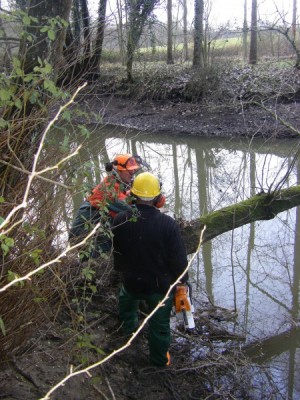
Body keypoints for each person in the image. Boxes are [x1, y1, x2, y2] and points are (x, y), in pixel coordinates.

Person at [112, 172, 188, 367]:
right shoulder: (168, 225)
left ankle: (128, 335)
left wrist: (122, 272)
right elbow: (179, 263)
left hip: (131, 283)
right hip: (159, 289)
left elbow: (118, 255)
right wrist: (183, 284)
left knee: (126, 304)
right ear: (159, 199)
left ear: (131, 196)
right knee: (160, 326)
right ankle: (159, 361)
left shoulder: (119, 219)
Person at [69, 153, 149, 259]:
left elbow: (123, 198)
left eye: (134, 170)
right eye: (130, 170)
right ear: (119, 170)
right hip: (86, 232)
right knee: (95, 261)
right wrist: (149, 204)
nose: (132, 173)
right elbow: (132, 211)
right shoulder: (109, 189)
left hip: (96, 228)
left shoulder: (113, 183)